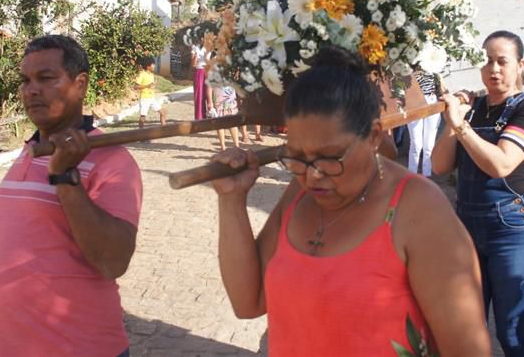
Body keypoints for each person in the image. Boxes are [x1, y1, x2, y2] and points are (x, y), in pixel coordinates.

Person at [210, 46, 491, 356]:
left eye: (330, 157)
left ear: (373, 137)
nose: (313, 175)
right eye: (296, 157)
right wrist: (232, 200)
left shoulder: (419, 210)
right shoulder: (299, 194)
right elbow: (248, 302)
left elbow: (468, 349)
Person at [0, 35, 142, 356]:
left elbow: (113, 260)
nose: (31, 90)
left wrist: (66, 176)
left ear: (79, 84)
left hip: (80, 347)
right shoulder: (30, 150)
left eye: (46, 78)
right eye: (25, 80)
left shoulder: (113, 161)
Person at [432, 30, 524, 357]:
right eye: (486, 60)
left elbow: (500, 164)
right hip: (467, 230)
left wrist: (461, 127)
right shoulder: (473, 108)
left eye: (502, 61)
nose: (492, 69)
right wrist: (453, 119)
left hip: (514, 231)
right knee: (467, 327)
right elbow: (440, 165)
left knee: (511, 332)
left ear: (520, 65)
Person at [406, 70, 441, 177]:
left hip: (432, 100)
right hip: (414, 103)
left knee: (429, 145)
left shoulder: (433, 64)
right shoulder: (408, 62)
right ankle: (412, 175)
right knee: (416, 144)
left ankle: (427, 175)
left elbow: (440, 82)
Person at [135, 55, 168, 128]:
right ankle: (140, 133)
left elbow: (150, 85)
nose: (154, 66)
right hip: (144, 99)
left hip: (152, 98)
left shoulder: (151, 75)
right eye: (153, 64)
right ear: (148, 66)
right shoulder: (142, 74)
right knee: (143, 118)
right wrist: (147, 86)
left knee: (163, 112)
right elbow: (136, 87)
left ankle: (164, 130)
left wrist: (153, 86)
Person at [213, 85, 241, 150]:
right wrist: (210, 103)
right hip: (219, 98)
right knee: (220, 124)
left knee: (233, 123)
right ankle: (223, 147)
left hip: (231, 97)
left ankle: (236, 146)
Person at [191, 42, 209, 120]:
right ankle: (200, 117)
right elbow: (193, 64)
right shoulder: (195, 47)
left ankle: (213, 115)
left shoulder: (210, 46)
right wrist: (195, 54)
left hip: (209, 70)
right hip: (199, 71)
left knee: (211, 94)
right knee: (199, 94)